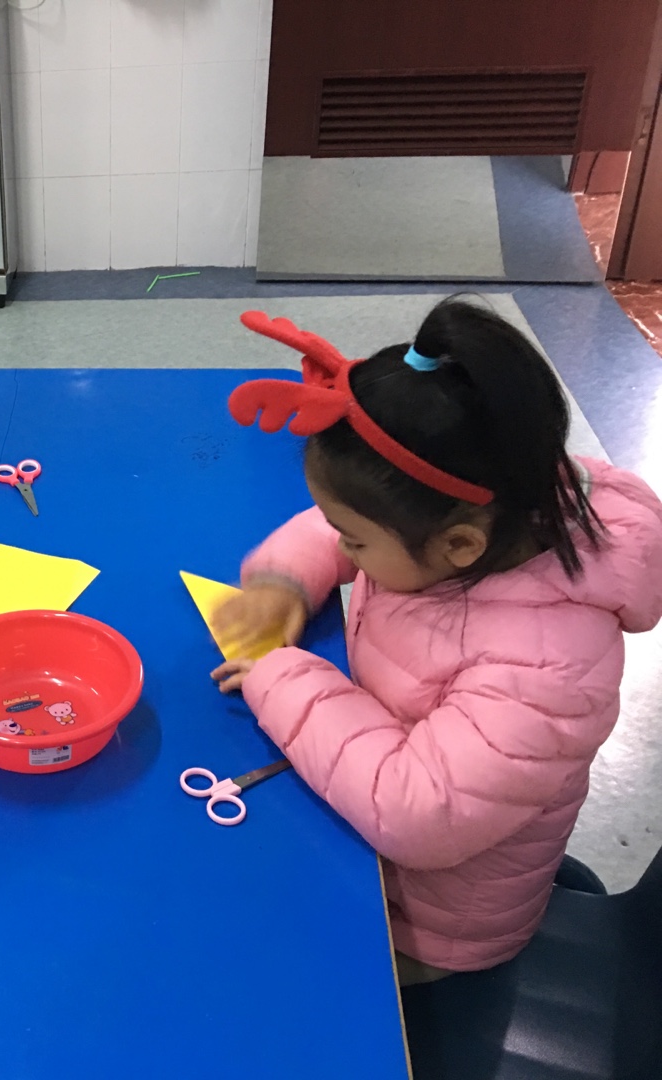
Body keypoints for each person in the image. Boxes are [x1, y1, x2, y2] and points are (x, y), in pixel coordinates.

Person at [211, 299, 662, 984]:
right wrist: (284, 580)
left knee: (244, 967)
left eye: (355, 544)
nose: (345, 551)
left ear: (459, 547)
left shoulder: (547, 669)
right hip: (371, 849)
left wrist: (282, 677)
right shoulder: (493, 504)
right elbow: (352, 523)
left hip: (427, 927)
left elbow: (416, 813)